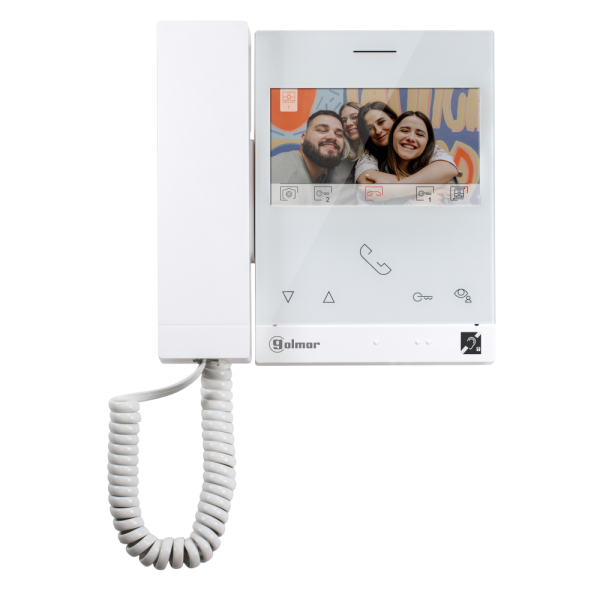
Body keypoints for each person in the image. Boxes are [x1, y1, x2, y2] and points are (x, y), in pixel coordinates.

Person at [355, 102, 458, 186]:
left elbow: (448, 169)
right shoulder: (368, 154)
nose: (378, 131)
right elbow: (366, 178)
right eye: (370, 128)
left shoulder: (425, 146)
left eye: (381, 122)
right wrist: (432, 184)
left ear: (394, 120)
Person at [271, 110, 345, 184]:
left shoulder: (320, 175)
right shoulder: (287, 179)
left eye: (338, 134)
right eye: (322, 130)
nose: (333, 137)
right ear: (303, 138)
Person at [327, 102, 362, 184]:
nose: (349, 123)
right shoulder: (336, 153)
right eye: (344, 121)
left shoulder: (376, 149)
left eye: (354, 117)